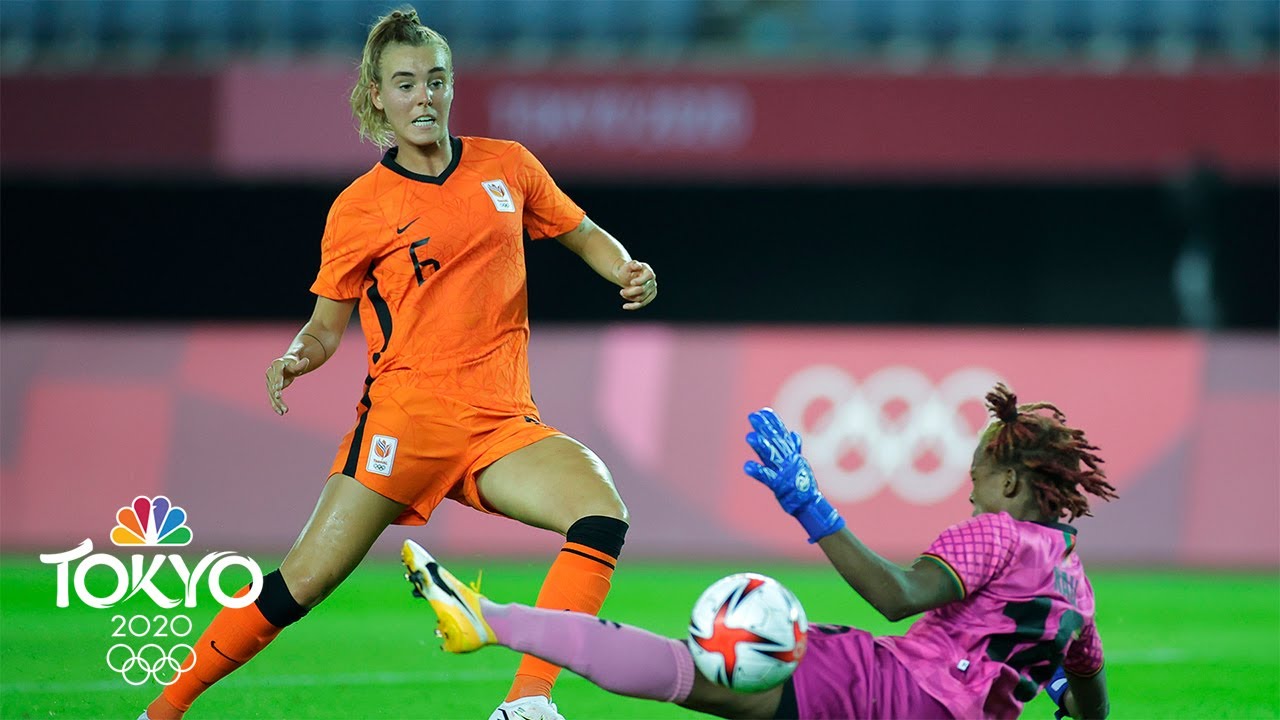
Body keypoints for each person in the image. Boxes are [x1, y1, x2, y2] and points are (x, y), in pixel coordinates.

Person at [143, 7, 655, 720]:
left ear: (451, 89)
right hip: (405, 425)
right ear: (376, 96)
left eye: (436, 81)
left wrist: (627, 268)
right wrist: (300, 354)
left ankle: (528, 704)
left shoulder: (508, 164)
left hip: (502, 424)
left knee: (601, 513)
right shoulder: (360, 208)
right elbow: (327, 327)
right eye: (406, 82)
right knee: (301, 584)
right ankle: (160, 712)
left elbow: (582, 231)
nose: (424, 96)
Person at [401, 383, 1116, 719]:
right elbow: (1090, 691)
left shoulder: (994, 533)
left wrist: (813, 506)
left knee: (687, 671)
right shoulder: (1077, 590)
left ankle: (492, 619)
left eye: (980, 484)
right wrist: (1031, 678)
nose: (971, 499)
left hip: (881, 689)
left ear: (1014, 481)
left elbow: (899, 597)